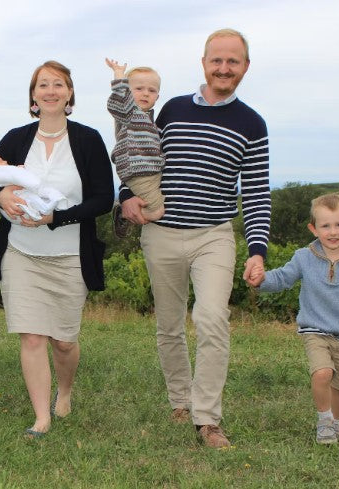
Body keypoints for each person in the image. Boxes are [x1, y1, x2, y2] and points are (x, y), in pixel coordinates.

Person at [119, 28, 271, 448]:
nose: (224, 68)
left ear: (245, 67)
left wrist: (257, 249)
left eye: (233, 61)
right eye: (216, 60)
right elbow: (139, 154)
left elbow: (257, 191)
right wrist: (127, 196)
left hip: (214, 236)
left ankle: (207, 419)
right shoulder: (172, 109)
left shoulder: (252, 124)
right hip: (161, 234)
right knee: (169, 325)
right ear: (204, 63)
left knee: (211, 319)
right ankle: (179, 400)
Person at [0, 60, 114, 438]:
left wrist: (56, 216)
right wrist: (2, 195)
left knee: (64, 341)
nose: (50, 91)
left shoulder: (87, 140)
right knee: (32, 335)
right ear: (33, 96)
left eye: (58, 84)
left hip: (70, 257)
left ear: (69, 94)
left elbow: (104, 198)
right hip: (20, 252)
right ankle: (42, 417)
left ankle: (64, 391)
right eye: (43, 85)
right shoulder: (16, 138)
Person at [249, 193, 339, 444]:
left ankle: (336, 422)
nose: (333, 232)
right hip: (315, 330)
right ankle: (324, 421)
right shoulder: (304, 257)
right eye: (325, 226)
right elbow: (283, 278)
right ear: (314, 229)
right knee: (322, 373)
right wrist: (262, 280)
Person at [105, 58, 165, 238]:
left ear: (157, 96)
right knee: (155, 213)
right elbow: (118, 101)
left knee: (160, 204)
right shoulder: (128, 113)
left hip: (151, 169)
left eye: (151, 90)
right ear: (128, 94)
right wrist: (118, 76)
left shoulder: (147, 118)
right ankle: (122, 213)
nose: (145, 94)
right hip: (138, 170)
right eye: (139, 89)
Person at [0, 153, 66, 221]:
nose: (6, 161)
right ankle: (46, 207)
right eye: (1, 161)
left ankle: (47, 206)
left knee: (37, 198)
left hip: (20, 210)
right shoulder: (13, 139)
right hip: (17, 209)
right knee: (33, 199)